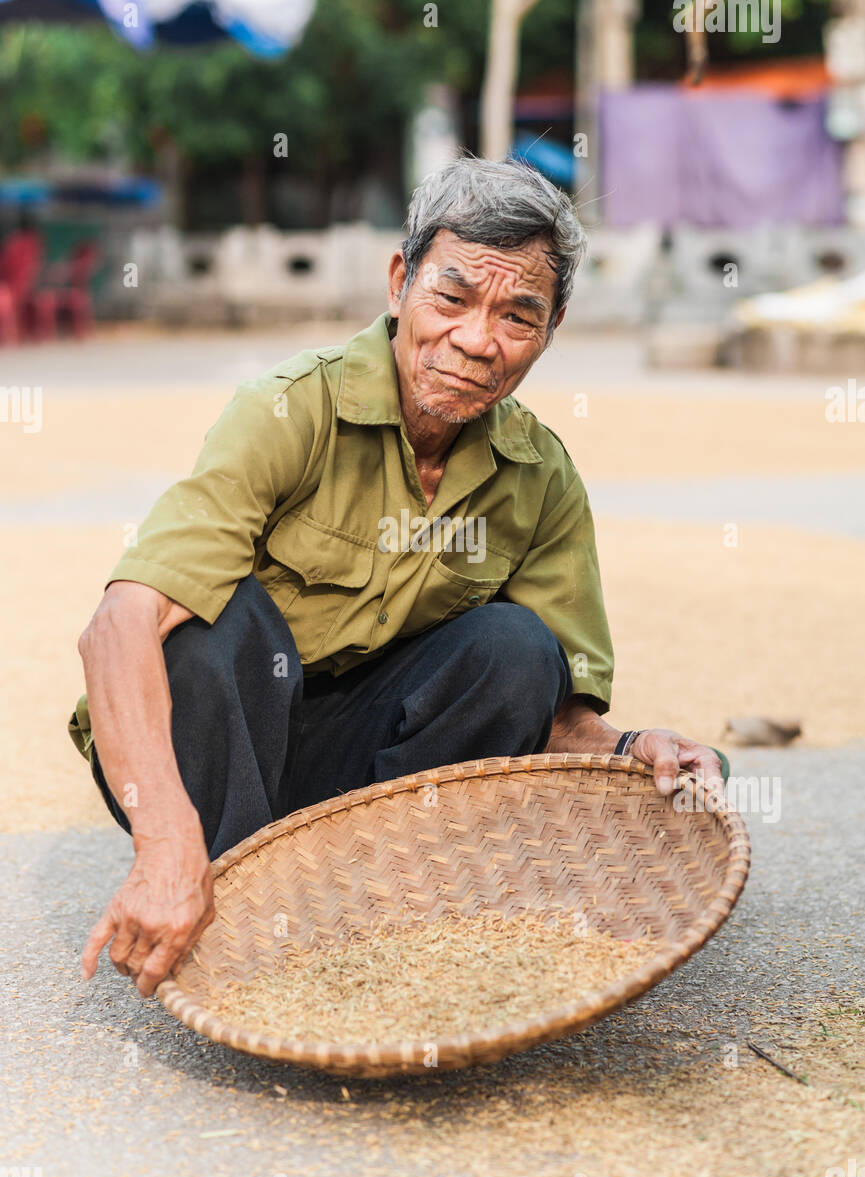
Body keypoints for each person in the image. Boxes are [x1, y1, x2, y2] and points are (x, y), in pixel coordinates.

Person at [70, 156, 727, 998]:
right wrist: (164, 842)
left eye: (517, 316)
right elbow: (115, 627)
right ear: (398, 283)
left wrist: (635, 750)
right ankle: (226, 903)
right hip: (221, 750)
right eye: (451, 299)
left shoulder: (540, 479)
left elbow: (554, 719)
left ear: (551, 328)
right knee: (208, 623)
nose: (477, 340)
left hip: (360, 778)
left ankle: (376, 904)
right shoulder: (288, 410)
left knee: (517, 647)